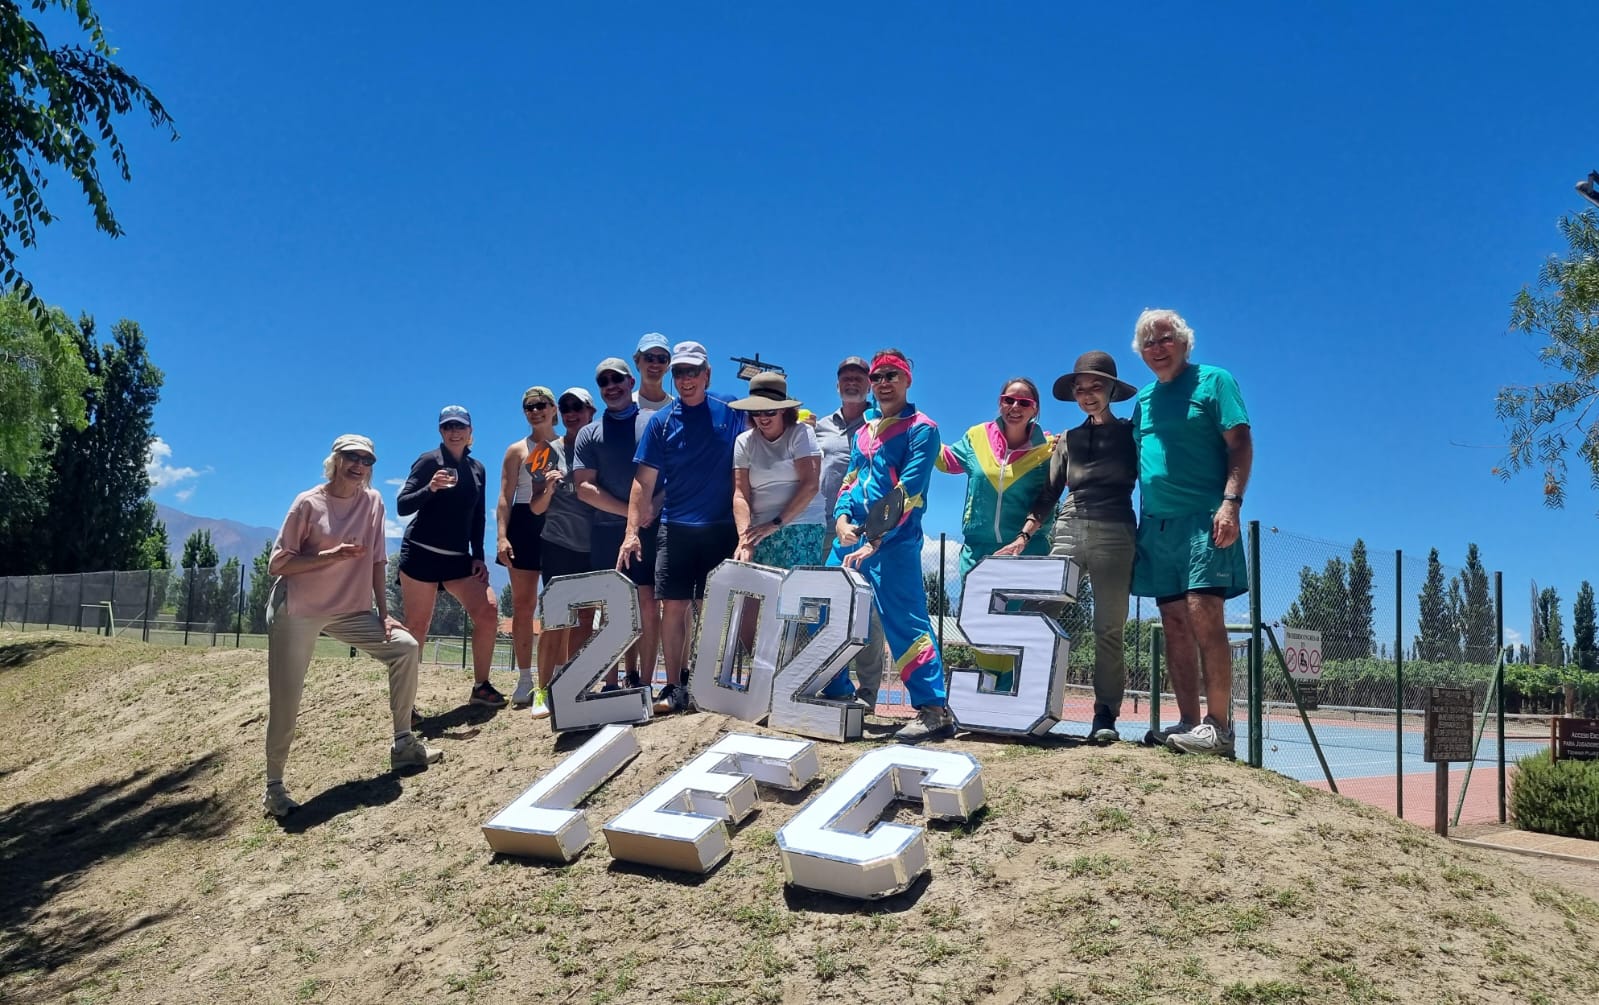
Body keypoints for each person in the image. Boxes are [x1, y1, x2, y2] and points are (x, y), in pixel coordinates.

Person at [262, 435, 441, 817]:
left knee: (406, 647)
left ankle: (403, 745)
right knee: (287, 699)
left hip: (348, 610)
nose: (359, 465)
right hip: (298, 609)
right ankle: (274, 787)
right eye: (351, 458)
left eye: (366, 460)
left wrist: (383, 611)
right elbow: (278, 564)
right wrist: (330, 555)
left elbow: (378, 559)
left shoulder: (372, 502)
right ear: (335, 461)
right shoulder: (307, 503)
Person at [1128, 309, 1253, 757]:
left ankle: (1218, 727)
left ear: (1184, 343)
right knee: (1174, 622)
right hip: (1158, 528)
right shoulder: (1142, 401)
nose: (1157, 349)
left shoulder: (1215, 381)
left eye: (1165, 340)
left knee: (1204, 613)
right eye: (1148, 343)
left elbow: (1240, 442)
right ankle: (1186, 721)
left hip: (1206, 516)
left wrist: (1231, 504)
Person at [821, 349, 954, 743]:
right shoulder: (865, 430)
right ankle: (839, 695)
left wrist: (876, 538)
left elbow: (908, 491)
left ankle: (933, 709)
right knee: (825, 610)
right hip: (850, 540)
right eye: (877, 377)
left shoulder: (922, 429)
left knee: (906, 623)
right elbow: (851, 480)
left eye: (891, 376)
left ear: (908, 380)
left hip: (895, 543)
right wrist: (843, 520)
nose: (883, 383)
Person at [1007, 351, 1139, 744]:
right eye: (1080, 389)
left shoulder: (1133, 434)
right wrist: (1025, 535)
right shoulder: (1069, 439)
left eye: (1096, 387)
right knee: (1041, 613)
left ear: (1112, 390)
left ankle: (1105, 716)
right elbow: (1050, 492)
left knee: (1108, 628)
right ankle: (1025, 703)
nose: (1087, 395)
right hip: (1067, 528)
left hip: (1116, 532)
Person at [622, 340, 744, 714]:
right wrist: (630, 532)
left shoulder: (733, 410)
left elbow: (774, 424)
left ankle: (711, 683)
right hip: (674, 529)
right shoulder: (660, 423)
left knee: (717, 609)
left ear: (707, 374)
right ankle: (673, 686)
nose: (685, 379)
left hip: (722, 528)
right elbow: (642, 481)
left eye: (693, 371)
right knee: (671, 607)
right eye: (679, 372)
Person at [937, 378, 1056, 693]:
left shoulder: (1048, 449)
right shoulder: (977, 437)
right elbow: (946, 461)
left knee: (1010, 627)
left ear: (1036, 409)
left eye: (1024, 403)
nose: (1015, 407)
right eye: (1008, 400)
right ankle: (991, 694)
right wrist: (919, 431)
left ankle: (1007, 695)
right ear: (1000, 402)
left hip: (1023, 551)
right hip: (977, 550)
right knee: (978, 623)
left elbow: (1048, 499)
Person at [394, 405, 504, 710]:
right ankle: (406, 705)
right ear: (441, 432)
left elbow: (479, 516)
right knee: (417, 627)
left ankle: (481, 686)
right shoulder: (429, 461)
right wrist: (430, 488)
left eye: (460, 427)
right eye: (448, 427)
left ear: (470, 433)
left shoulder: (478, 468)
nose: (454, 432)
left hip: (458, 559)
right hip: (421, 555)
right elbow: (403, 505)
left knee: (488, 611)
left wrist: (478, 556)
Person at [574, 358, 661, 692]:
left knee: (648, 606)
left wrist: (652, 507)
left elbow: (674, 475)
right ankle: (611, 684)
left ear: (630, 383)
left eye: (616, 379)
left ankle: (645, 683)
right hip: (607, 532)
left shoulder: (655, 422)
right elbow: (584, 488)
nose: (611, 386)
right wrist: (633, 514)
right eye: (603, 382)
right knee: (612, 610)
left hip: (654, 529)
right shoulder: (588, 433)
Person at [815, 355, 887, 709]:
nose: (852, 382)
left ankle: (868, 690)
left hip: (869, 530)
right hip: (826, 527)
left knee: (869, 612)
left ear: (870, 383)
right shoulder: (819, 426)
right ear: (837, 384)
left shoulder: (881, 422)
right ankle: (831, 683)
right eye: (846, 377)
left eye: (860, 376)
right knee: (827, 610)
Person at [523, 387, 599, 717]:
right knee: (555, 621)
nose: (571, 412)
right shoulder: (545, 451)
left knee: (586, 620)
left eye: (577, 407)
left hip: (594, 547)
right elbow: (536, 508)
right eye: (565, 407)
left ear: (590, 412)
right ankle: (542, 691)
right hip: (558, 545)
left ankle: (570, 683)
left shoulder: (600, 446)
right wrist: (550, 488)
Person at [730, 370, 826, 567]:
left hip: (801, 523)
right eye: (757, 412)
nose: (763, 418)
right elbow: (740, 494)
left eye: (770, 411)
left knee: (794, 593)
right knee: (758, 595)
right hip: (758, 530)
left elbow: (810, 485)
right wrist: (744, 539)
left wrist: (775, 524)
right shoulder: (744, 441)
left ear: (783, 410)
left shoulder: (801, 433)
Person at [498, 386, 556, 707]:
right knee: (523, 605)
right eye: (529, 407)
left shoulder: (566, 445)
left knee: (558, 605)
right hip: (522, 524)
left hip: (557, 525)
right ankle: (524, 679)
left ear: (553, 408)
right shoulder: (516, 450)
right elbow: (504, 497)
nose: (535, 411)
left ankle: (555, 675)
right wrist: (501, 536)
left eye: (541, 405)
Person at [633, 332, 674, 413]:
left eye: (662, 358)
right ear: (637, 362)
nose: (655, 364)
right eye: (649, 358)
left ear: (668, 366)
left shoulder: (676, 407)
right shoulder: (626, 405)